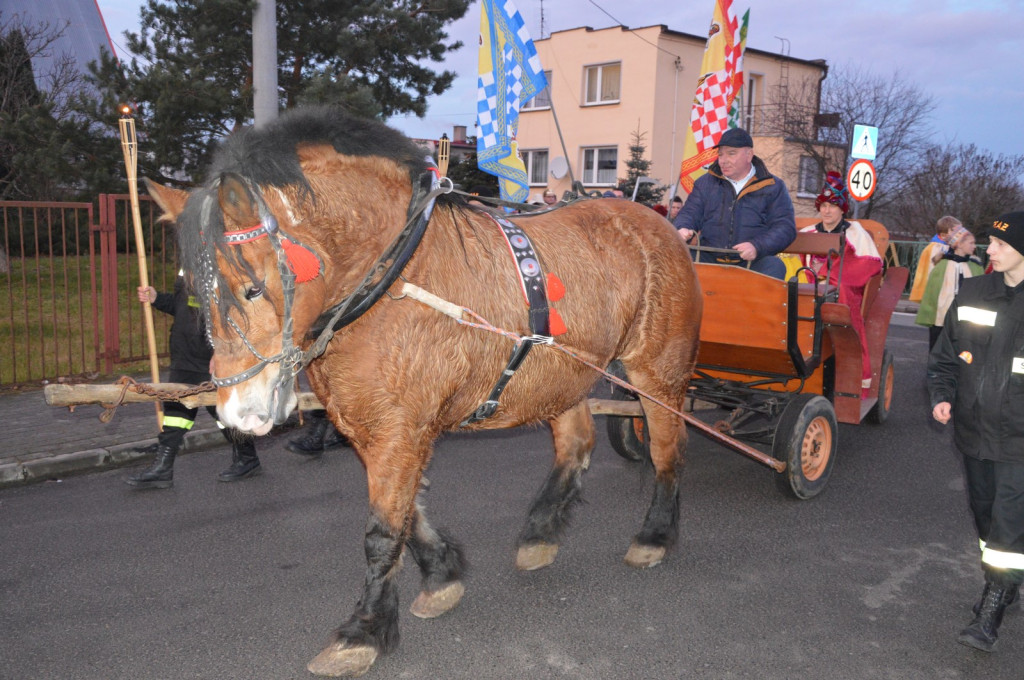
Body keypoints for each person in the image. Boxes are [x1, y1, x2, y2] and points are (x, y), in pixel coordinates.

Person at [927, 211, 1024, 652]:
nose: (990, 249)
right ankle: (1006, 578)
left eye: (1001, 245)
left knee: (1007, 524)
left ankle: (992, 609)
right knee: (986, 519)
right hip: (973, 431)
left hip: (1019, 439)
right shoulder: (975, 291)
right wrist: (942, 394)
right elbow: (946, 355)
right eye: (989, 242)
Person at [125, 274, 261, 489]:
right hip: (183, 354)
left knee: (223, 412)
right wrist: (157, 298)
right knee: (175, 414)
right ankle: (163, 468)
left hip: (211, 357)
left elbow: (237, 313)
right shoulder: (186, 264)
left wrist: (221, 350)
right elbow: (184, 307)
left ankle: (247, 458)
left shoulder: (222, 262)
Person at [672, 127, 796, 279]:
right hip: (709, 259)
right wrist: (682, 227)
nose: (723, 160)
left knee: (774, 266)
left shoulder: (772, 186)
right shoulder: (705, 184)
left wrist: (757, 247)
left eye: (731, 153)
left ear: (749, 155)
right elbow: (689, 213)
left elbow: (785, 227)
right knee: (679, 261)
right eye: (720, 154)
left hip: (751, 262)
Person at [800, 171, 882, 389]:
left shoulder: (856, 234)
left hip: (844, 290)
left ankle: (850, 369)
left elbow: (868, 265)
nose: (826, 211)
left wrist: (827, 270)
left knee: (842, 290)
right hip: (811, 285)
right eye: (823, 205)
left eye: (832, 206)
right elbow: (797, 259)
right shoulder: (808, 232)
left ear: (842, 208)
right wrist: (811, 273)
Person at [915, 224, 984, 350]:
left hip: (966, 319)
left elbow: (981, 292)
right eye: (971, 243)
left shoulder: (976, 266)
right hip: (942, 317)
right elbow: (932, 295)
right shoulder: (942, 265)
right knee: (939, 348)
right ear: (959, 244)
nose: (974, 246)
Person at [909, 216, 957, 302]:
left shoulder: (935, 246)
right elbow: (935, 269)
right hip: (935, 290)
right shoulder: (939, 248)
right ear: (943, 235)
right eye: (956, 233)